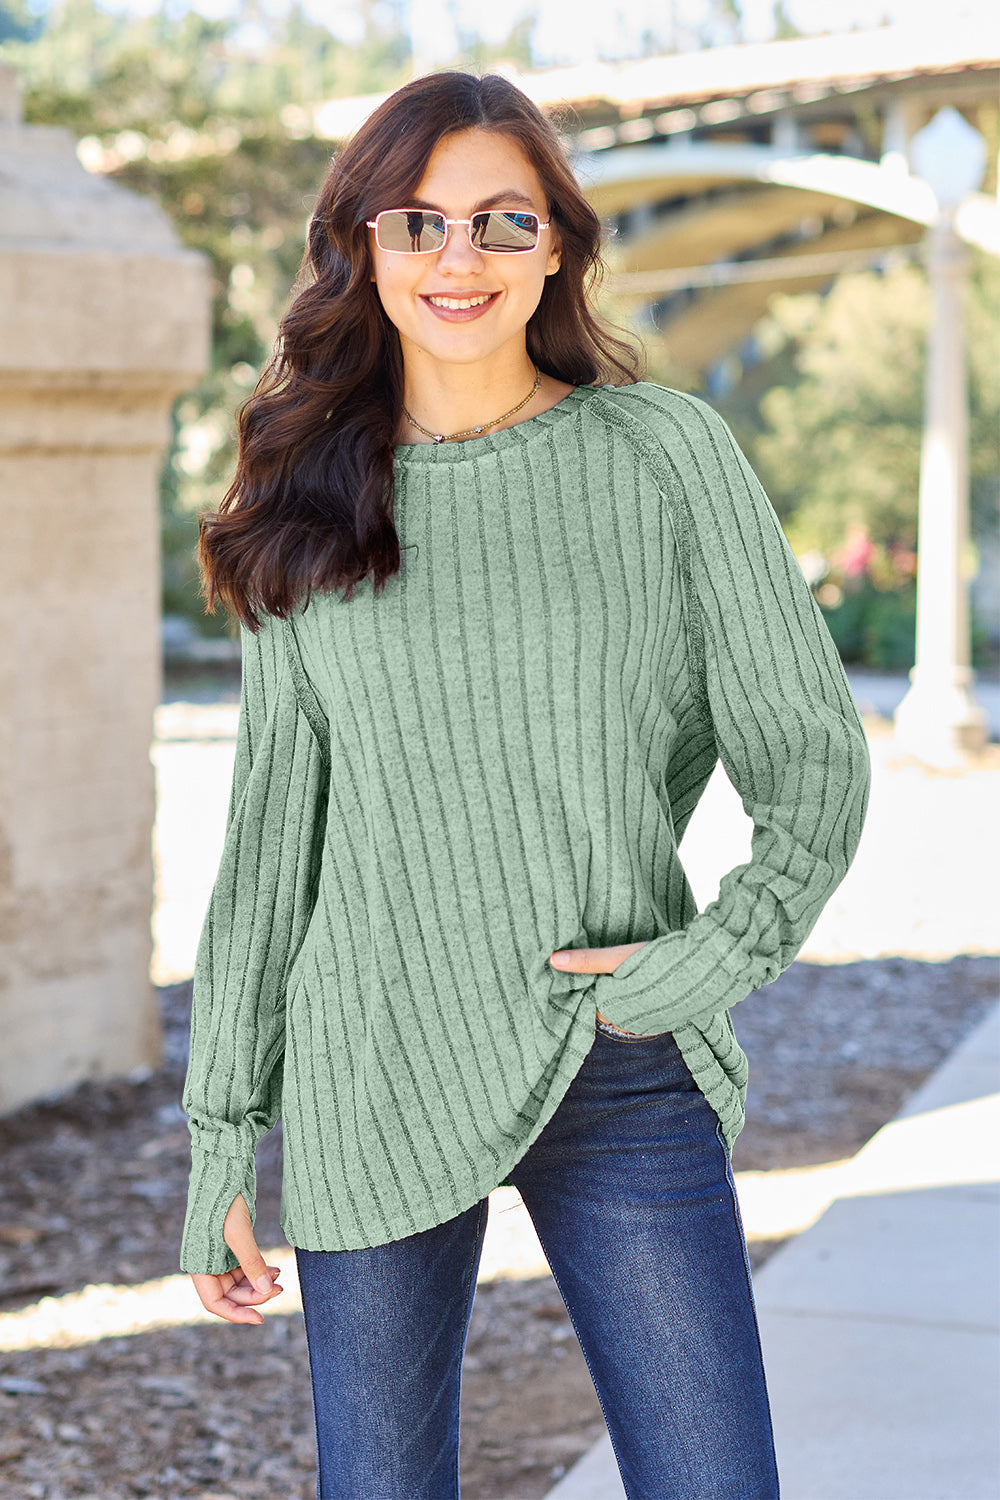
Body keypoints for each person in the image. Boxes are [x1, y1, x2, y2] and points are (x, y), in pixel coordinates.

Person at [179, 69, 871, 1500]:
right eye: (418, 222)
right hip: (372, 1059)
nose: (459, 259)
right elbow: (271, 853)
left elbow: (808, 759)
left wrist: (707, 963)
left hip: (613, 1046)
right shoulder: (302, 499)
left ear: (557, 243)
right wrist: (221, 1137)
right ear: (361, 247)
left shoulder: (663, 458)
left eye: (502, 223)